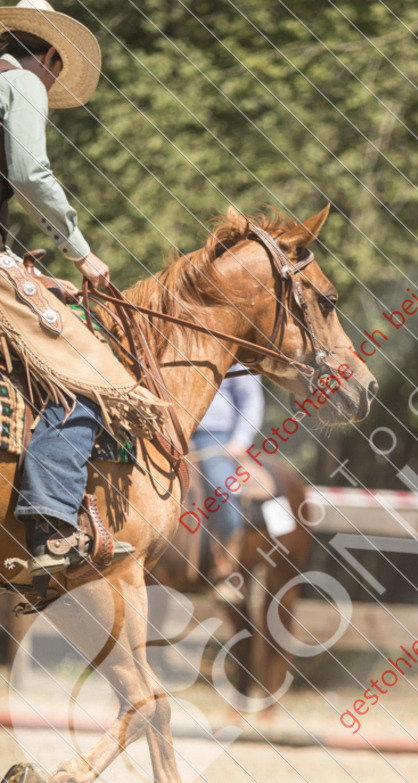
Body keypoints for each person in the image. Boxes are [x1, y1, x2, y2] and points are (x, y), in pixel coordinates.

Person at [0, 1, 165, 595]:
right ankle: (51, 526)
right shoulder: (20, 81)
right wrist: (79, 252)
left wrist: (32, 275)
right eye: (55, 73)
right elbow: (30, 174)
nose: (50, 86)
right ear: (48, 55)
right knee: (90, 371)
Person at [192, 368, 264, 602]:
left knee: (222, 489)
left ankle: (226, 568)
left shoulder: (237, 355)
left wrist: (240, 440)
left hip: (212, 434)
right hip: (167, 427)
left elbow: (250, 399)